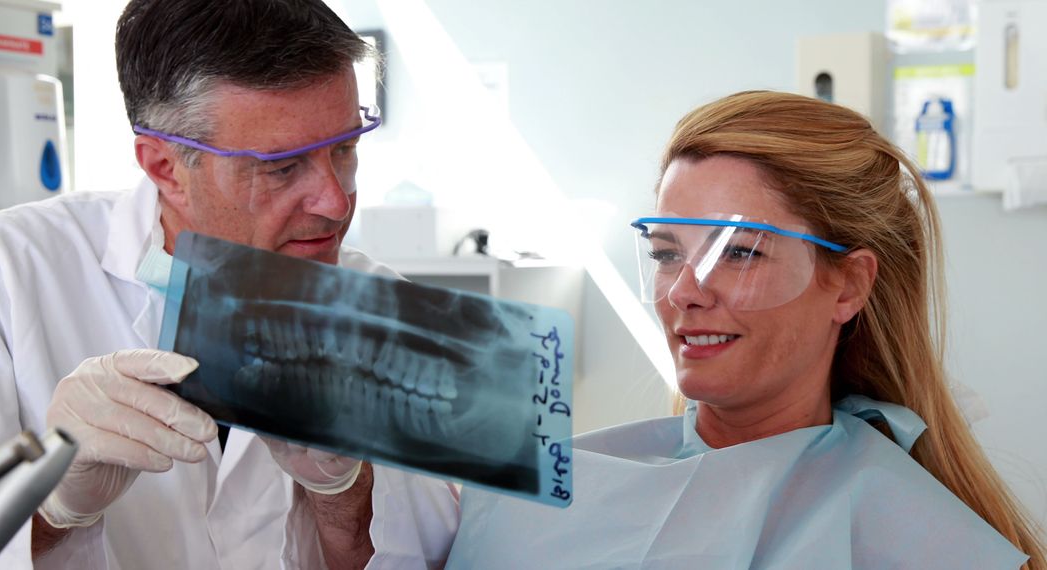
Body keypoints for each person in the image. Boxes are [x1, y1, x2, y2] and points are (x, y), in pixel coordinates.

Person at [444, 91, 1046, 568]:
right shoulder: (538, 495)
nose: (683, 291)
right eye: (665, 254)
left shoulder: (922, 540)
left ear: (848, 285)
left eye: (739, 254)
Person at [0, 0, 459, 567]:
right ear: (164, 168)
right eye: (281, 167)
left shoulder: (386, 309)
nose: (335, 201)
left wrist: (345, 489)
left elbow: (436, 556)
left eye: (345, 148)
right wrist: (49, 504)